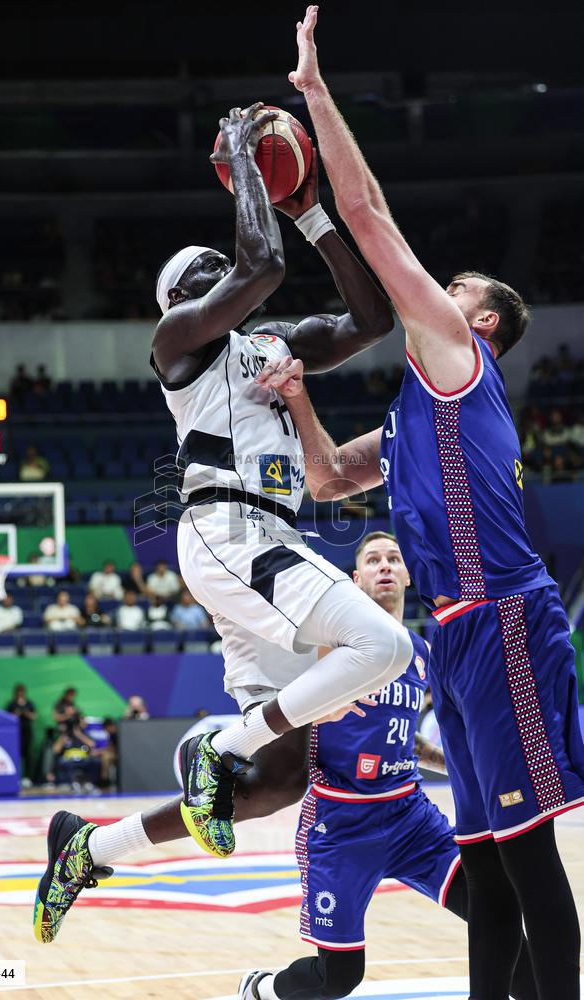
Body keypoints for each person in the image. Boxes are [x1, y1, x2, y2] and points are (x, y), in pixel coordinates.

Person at [259, 9, 584, 998]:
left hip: (507, 617)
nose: (438, 289)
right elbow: (324, 479)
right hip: (454, 638)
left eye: (457, 287)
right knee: (484, 862)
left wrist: (315, 96)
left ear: (480, 319)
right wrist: (301, 400)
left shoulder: (457, 354)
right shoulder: (411, 418)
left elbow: (372, 222)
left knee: (528, 859)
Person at [34, 102, 412, 946]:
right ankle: (220, 743)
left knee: (277, 779)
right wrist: (243, 154)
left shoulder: (272, 345)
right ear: (185, 301)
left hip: (265, 542)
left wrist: (309, 208)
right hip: (227, 532)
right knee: (386, 647)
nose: (222, 275)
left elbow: (373, 321)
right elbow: (260, 264)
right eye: (207, 274)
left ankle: (90, 848)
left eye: (220, 269)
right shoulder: (177, 344)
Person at [239, 533, 537, 1000]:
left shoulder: (420, 652)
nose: (384, 566)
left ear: (407, 575)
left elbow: (402, 735)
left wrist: (457, 763)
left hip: (409, 816)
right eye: (373, 560)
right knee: (338, 978)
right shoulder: (326, 649)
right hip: (340, 823)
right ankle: (262, 990)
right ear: (355, 580)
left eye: (394, 559)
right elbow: (284, 719)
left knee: (495, 907)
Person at [5, 683, 37, 780]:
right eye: (18, 692)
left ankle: (27, 777)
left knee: (27, 755)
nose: (20, 694)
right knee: (15, 754)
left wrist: (26, 713)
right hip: (15, 733)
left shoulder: (29, 703)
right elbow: (7, 717)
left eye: (22, 692)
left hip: (27, 732)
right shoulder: (12, 704)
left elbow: (34, 716)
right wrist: (16, 713)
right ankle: (16, 776)